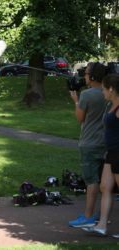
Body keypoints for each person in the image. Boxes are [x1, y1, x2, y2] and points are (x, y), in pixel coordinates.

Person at [68, 62, 107, 227]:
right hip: (107, 144)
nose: (84, 76)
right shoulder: (110, 93)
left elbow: (80, 118)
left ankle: (88, 216)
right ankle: (102, 216)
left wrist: (76, 101)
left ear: (92, 76)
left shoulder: (86, 95)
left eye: (86, 73)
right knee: (107, 183)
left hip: (90, 143)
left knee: (91, 181)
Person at [82, 74, 119, 238]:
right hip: (110, 153)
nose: (102, 92)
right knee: (104, 188)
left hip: (118, 154)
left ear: (111, 89)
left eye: (103, 89)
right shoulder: (111, 105)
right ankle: (101, 226)